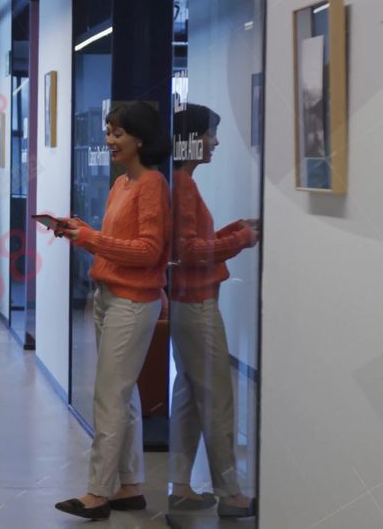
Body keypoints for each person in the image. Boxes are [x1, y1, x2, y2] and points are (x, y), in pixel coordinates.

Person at [53, 101, 172, 520]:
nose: (109, 140)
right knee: (126, 395)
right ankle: (131, 485)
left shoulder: (153, 184)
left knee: (109, 396)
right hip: (108, 296)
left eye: (118, 133)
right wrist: (82, 233)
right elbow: (116, 239)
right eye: (108, 131)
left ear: (141, 139)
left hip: (133, 301)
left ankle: (98, 493)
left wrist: (92, 239)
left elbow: (148, 250)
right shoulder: (121, 184)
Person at [167, 103, 259, 519]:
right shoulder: (183, 185)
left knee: (188, 397)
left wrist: (236, 229)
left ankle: (182, 486)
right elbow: (189, 252)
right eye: (209, 134)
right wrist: (241, 240)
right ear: (189, 139)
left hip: (187, 303)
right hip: (197, 304)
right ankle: (230, 493)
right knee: (218, 397)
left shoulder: (181, 181)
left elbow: (193, 241)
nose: (216, 142)